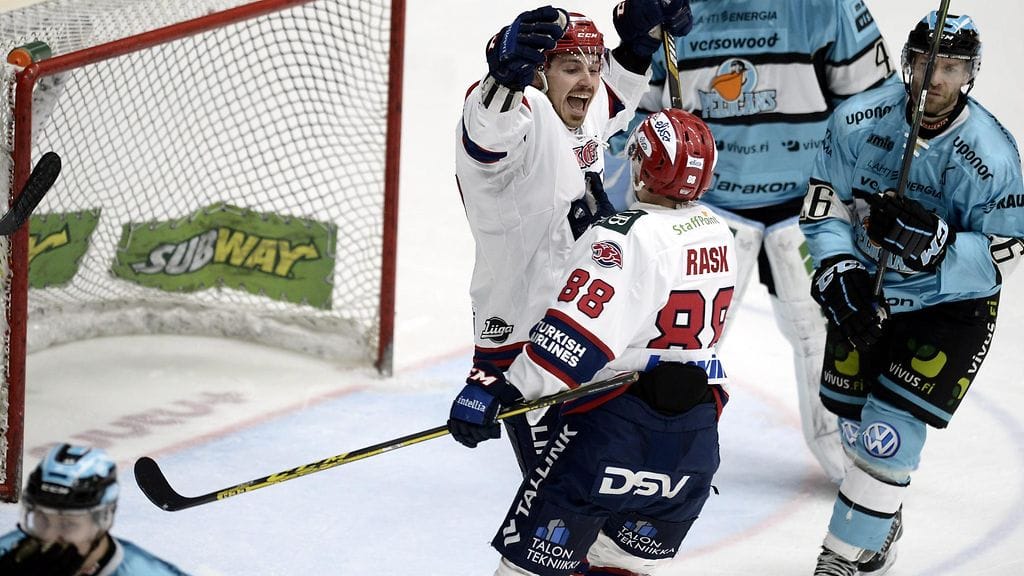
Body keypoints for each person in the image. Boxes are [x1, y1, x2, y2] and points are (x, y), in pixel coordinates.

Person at [603, 0, 897, 484]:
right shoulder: (670, 8)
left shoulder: (828, 6)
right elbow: (621, 122)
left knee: (823, 331)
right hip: (703, 208)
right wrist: (635, 49)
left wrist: (865, 194)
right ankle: (633, 454)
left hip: (809, 205)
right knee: (671, 337)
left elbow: (876, 106)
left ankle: (859, 462)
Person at [450, 108, 734, 575]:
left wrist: (497, 390)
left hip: (615, 431)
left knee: (529, 568)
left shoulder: (622, 238)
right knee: (617, 567)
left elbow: (574, 338)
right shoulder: (718, 232)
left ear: (645, 165)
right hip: (694, 438)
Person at [799, 12, 1024, 575]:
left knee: (886, 433)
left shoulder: (992, 155)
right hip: (869, 295)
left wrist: (938, 247)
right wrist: (838, 269)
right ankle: (880, 514)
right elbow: (825, 202)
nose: (934, 80)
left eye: (949, 68)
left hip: (947, 309)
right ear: (908, 62)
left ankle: (843, 556)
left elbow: (1009, 250)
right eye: (926, 64)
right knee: (850, 424)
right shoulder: (857, 121)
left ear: (969, 73)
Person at [455, 1, 695, 473]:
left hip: (588, 330)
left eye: (592, 65)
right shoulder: (520, 117)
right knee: (561, 509)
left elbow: (615, 93)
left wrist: (642, 40)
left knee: (613, 490)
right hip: (526, 349)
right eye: (570, 68)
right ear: (539, 75)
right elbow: (489, 127)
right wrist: (504, 77)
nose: (587, 80)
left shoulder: (583, 112)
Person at [0, 443, 190, 575]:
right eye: (41, 520)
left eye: (68, 524)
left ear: (102, 521)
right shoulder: (7, 555)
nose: (50, 536)